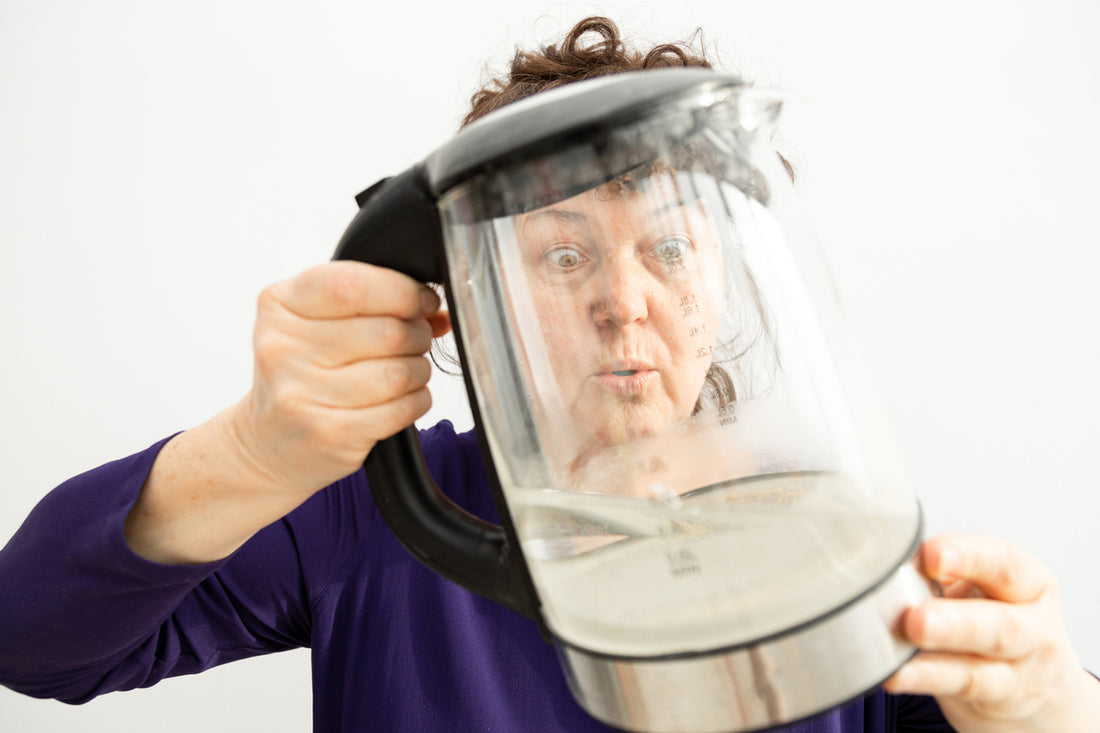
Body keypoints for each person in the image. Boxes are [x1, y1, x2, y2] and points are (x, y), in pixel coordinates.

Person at [0, 15, 1096, 733]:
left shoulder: (822, 539)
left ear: (719, 284)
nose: (624, 299)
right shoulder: (369, 514)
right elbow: (32, 640)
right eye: (562, 255)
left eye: (667, 248)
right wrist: (249, 450)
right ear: (474, 302)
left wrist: (1049, 703)